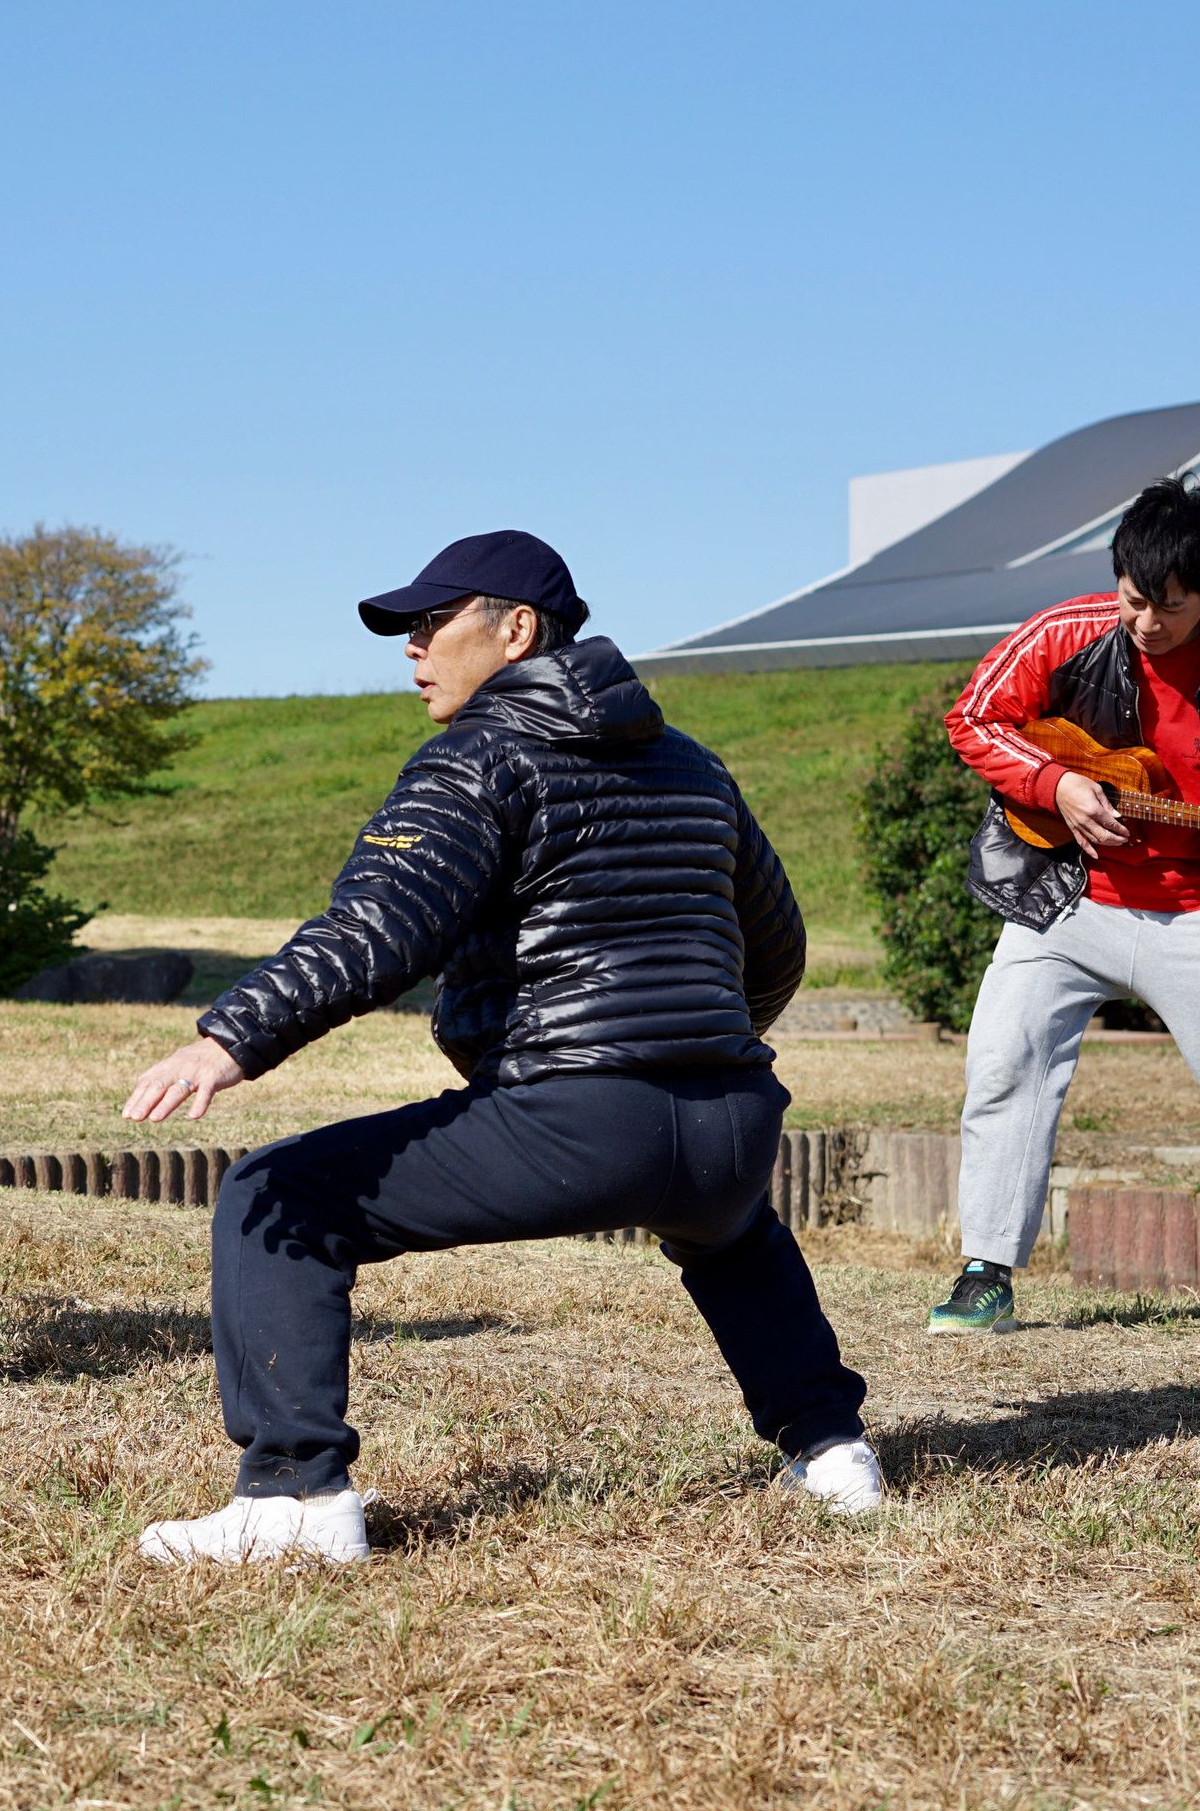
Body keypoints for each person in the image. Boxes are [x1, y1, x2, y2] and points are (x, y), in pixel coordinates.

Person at [120, 531, 879, 1567]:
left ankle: (296, 1498)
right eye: (409, 628)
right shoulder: (693, 762)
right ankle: (835, 1453)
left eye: (435, 622)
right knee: (732, 1232)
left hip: (583, 1121)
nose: (414, 646)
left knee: (274, 1196)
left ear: (517, 629)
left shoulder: (479, 753)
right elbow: (776, 944)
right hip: (733, 1124)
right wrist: (703, 1043)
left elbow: (378, 930)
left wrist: (228, 1039)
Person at [929, 479, 1200, 1338]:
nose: (1147, 623)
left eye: (1170, 608)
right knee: (1003, 1066)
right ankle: (985, 1272)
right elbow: (975, 719)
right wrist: (1055, 783)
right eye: (1135, 600)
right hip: (1066, 902)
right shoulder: (1062, 632)